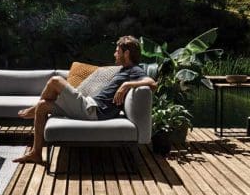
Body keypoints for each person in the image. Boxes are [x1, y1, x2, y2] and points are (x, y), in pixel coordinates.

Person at [13, 35, 157, 165]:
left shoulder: (134, 70)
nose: (114, 54)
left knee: (55, 81)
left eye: (117, 51)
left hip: (94, 110)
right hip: (89, 106)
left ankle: (32, 110)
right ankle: (36, 153)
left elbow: (153, 83)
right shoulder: (123, 70)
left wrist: (128, 84)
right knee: (42, 106)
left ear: (126, 53)